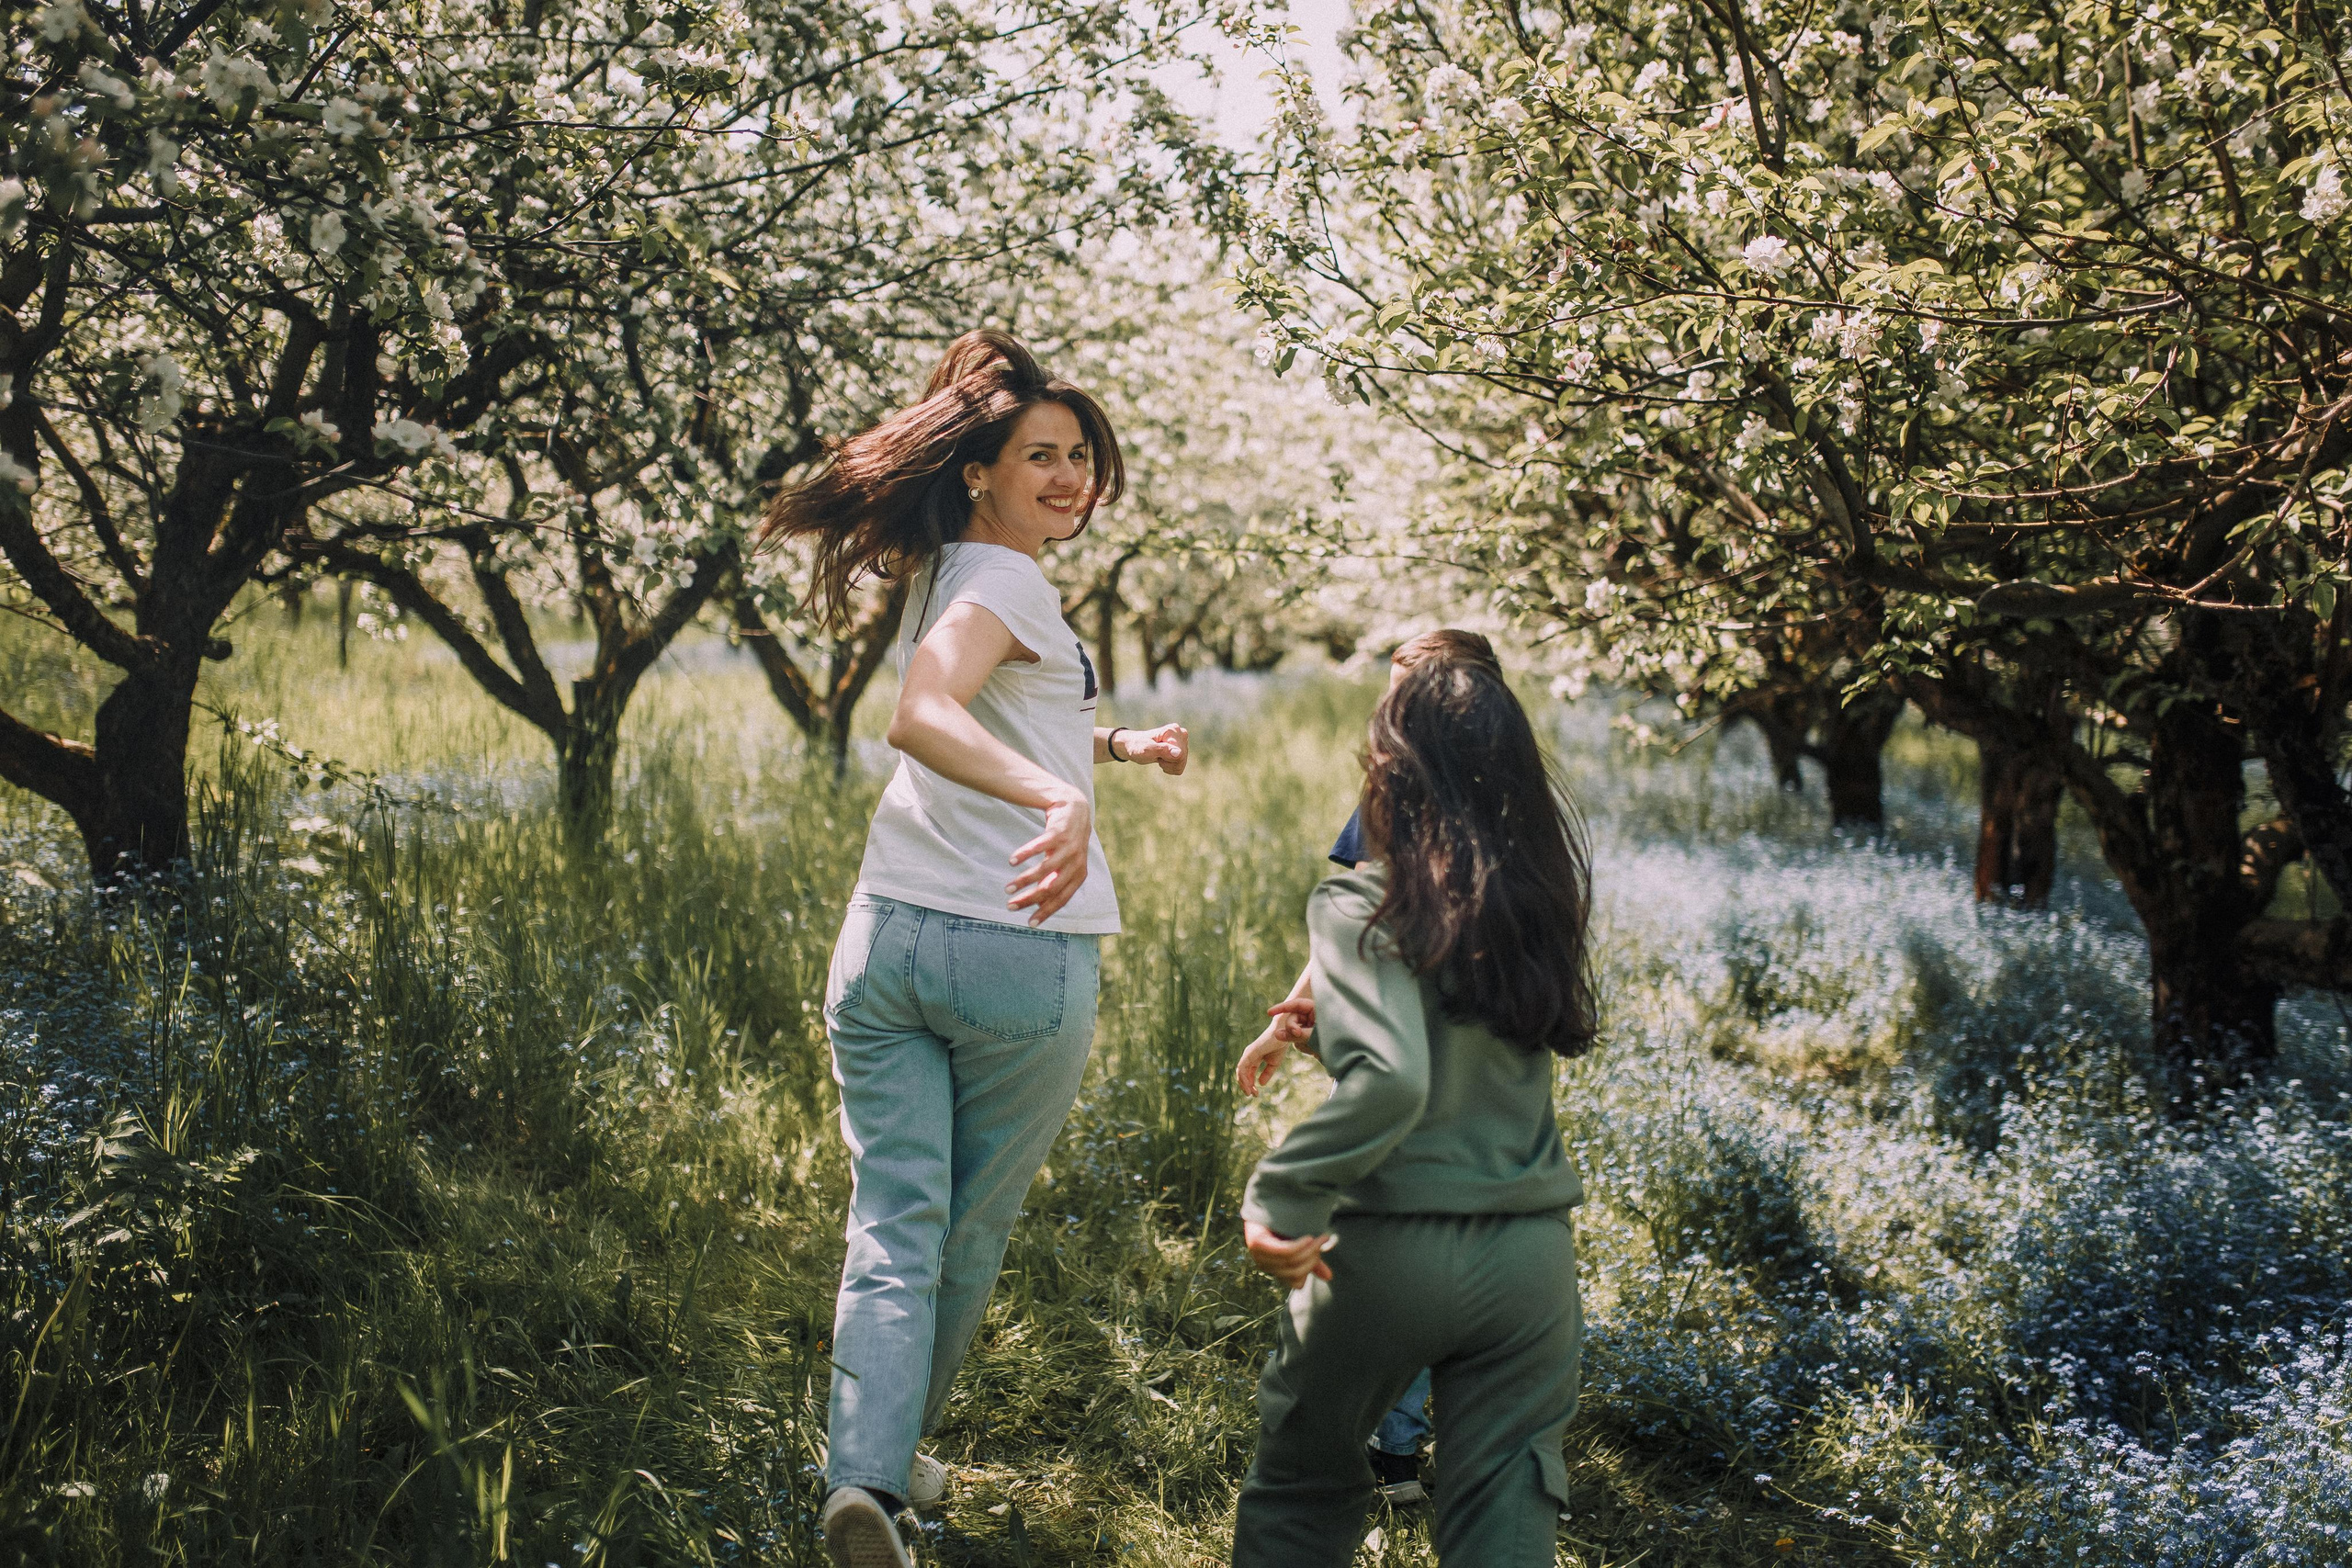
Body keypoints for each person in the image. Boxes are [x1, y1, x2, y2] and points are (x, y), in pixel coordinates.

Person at [760, 330, 1191, 1568]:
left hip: (889, 941)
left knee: (895, 1222)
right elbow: (923, 714)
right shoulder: (1008, 582)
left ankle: (868, 1471)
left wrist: (1110, 750)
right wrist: (1058, 801)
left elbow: (999, 708)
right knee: (962, 1233)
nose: (1069, 477)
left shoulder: (951, 570)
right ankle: (881, 1478)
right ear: (978, 472)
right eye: (1040, 456)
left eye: (1080, 457)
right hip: (1015, 953)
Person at [1231, 654, 1599, 1567]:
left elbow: (1394, 1080)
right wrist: (1334, 1031)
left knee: (1302, 1489)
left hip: (1385, 1247)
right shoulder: (1538, 902)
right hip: (1530, 1262)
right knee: (1507, 1508)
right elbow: (1467, 1042)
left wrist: (1280, 1194)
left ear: (1391, 770)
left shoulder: (1361, 899)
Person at [1233, 628, 1506, 1504]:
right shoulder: (1472, 791)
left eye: (1412, 683)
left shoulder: (1449, 796)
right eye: (1393, 681)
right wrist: (1289, 1017)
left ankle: (1367, 1443)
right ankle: (1401, 1451)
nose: (1394, 700)